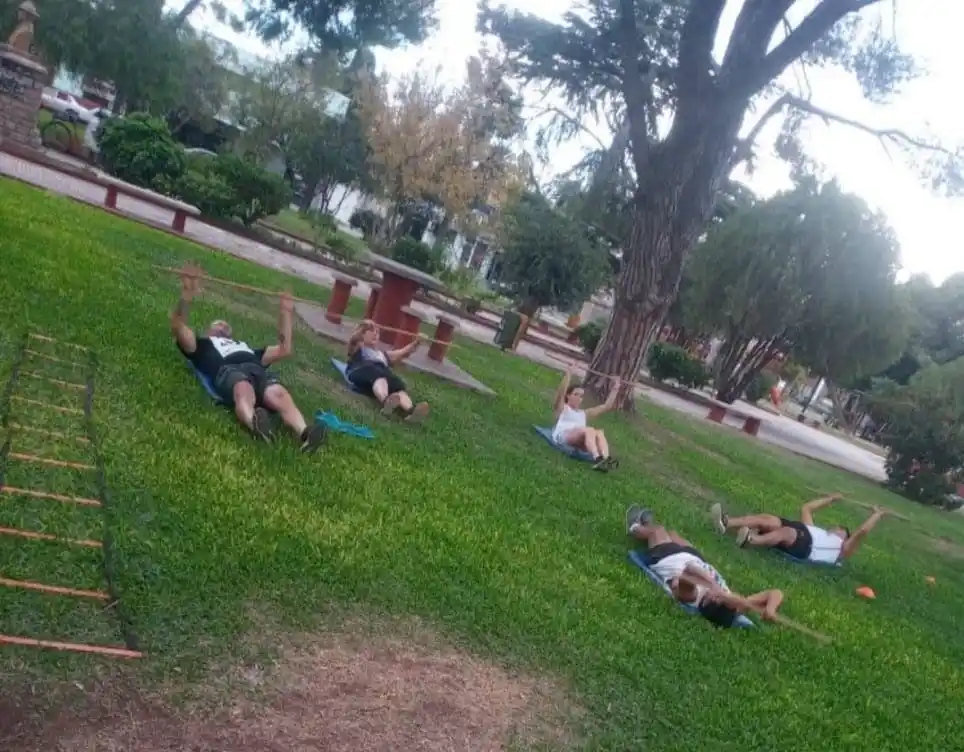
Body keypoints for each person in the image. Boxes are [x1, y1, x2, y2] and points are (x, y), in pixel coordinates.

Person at [170, 262, 327, 453]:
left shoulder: (247, 349)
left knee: (279, 393)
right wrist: (186, 295)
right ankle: (256, 425)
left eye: (225, 324)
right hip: (229, 371)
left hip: (256, 370)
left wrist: (285, 313)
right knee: (243, 388)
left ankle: (305, 433)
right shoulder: (204, 345)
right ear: (209, 331)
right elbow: (178, 327)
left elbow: (284, 349)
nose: (222, 325)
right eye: (217, 323)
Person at [626, 506, 784, 627]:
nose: (727, 595)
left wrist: (713, 585)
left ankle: (636, 527)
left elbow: (687, 573)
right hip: (695, 557)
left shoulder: (693, 597)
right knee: (674, 534)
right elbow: (775, 593)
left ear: (708, 602)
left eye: (719, 597)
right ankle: (648, 527)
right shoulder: (728, 604)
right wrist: (771, 608)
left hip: (668, 557)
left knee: (658, 531)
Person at [709, 494, 887, 564]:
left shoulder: (842, 550)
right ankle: (726, 523)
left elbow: (862, 532)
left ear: (845, 537)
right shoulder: (816, 530)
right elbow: (806, 508)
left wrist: (877, 514)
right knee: (769, 519)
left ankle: (751, 540)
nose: (836, 528)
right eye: (835, 527)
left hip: (805, 547)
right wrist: (831, 499)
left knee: (788, 532)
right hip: (802, 531)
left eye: (840, 530)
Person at [345, 320, 429, 422]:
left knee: (397, 385)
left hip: (377, 377)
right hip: (360, 370)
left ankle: (410, 412)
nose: (375, 334)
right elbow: (353, 341)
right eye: (371, 331)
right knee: (379, 375)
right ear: (362, 334)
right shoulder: (359, 347)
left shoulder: (382, 355)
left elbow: (404, 352)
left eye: (377, 332)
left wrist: (417, 342)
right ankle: (386, 402)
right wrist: (364, 327)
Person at [551, 366, 620, 471]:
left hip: (582, 438)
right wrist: (568, 374)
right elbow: (561, 394)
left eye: (581, 396)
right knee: (588, 430)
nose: (579, 398)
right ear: (568, 396)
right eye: (576, 394)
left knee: (599, 432)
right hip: (564, 436)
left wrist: (615, 388)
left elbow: (606, 406)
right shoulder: (564, 408)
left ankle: (606, 459)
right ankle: (597, 458)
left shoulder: (584, 413)